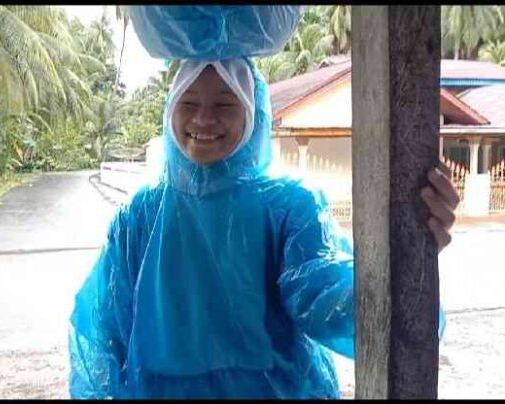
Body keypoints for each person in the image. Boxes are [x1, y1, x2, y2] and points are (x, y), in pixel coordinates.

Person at [68, 58, 460, 399]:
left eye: (225, 104)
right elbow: (102, 325)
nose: (203, 118)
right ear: (169, 110)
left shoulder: (288, 206)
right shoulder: (139, 216)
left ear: (253, 115)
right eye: (188, 103)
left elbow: (326, 295)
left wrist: (405, 255)